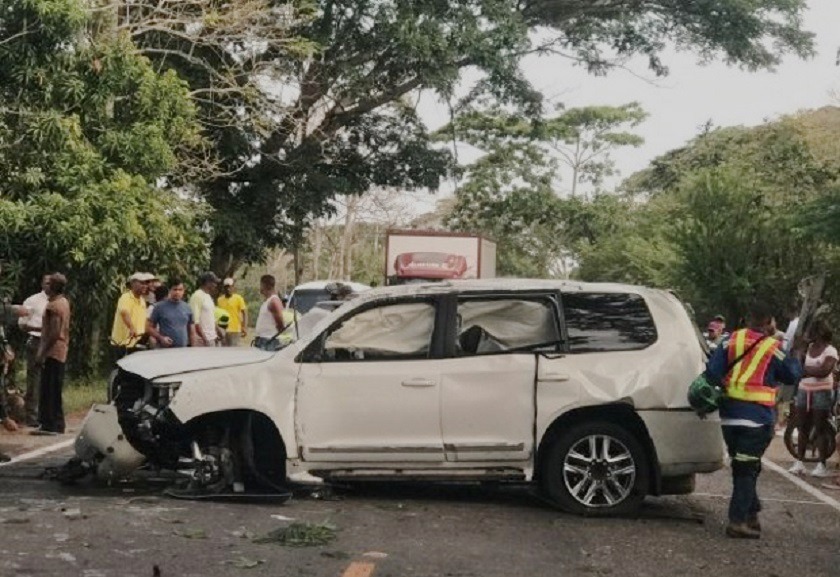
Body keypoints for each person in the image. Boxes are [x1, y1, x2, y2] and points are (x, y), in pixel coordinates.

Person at [704, 303, 802, 539]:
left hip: (729, 418)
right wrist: (796, 354)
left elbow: (712, 373)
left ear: (748, 320)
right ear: (769, 323)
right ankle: (737, 521)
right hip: (757, 420)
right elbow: (792, 375)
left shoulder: (730, 340)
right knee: (746, 470)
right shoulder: (773, 347)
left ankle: (752, 512)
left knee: (743, 466)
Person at [788, 321, 838, 478]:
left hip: (822, 391)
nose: (811, 336)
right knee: (802, 426)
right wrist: (811, 371)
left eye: (813, 333)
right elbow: (798, 367)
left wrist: (806, 371)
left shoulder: (830, 351)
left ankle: (821, 464)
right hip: (804, 390)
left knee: (820, 427)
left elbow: (824, 371)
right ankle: (799, 462)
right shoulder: (808, 349)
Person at [32, 273, 71, 436]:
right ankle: (56, 422)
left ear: (54, 287)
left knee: (49, 388)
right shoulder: (64, 302)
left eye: (49, 284)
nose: (46, 287)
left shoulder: (54, 306)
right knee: (54, 387)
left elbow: (54, 332)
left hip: (53, 351)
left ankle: (50, 423)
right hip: (61, 349)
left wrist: (41, 352)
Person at [17, 274, 50, 427]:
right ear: (42, 284)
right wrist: (41, 329)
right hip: (36, 340)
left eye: (52, 283)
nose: (49, 285)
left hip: (52, 343)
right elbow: (22, 324)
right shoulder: (33, 300)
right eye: (47, 282)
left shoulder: (58, 301)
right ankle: (31, 415)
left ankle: (45, 414)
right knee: (34, 380)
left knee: (48, 379)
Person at [110, 272, 154, 357]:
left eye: (146, 283)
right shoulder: (126, 297)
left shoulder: (142, 300)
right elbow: (124, 312)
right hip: (123, 343)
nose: (145, 286)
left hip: (137, 342)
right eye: (141, 283)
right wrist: (131, 327)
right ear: (133, 284)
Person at [146, 281, 195, 348]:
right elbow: (149, 328)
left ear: (183, 291)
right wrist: (161, 338)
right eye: (175, 289)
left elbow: (192, 331)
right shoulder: (159, 307)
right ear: (170, 290)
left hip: (183, 350)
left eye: (180, 290)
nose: (177, 292)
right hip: (165, 350)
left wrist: (193, 348)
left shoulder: (187, 307)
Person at [253, 275, 285, 350]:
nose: (260, 288)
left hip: (269, 341)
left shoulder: (274, 301)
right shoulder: (267, 301)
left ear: (264, 285)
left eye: (260, 285)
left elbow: (280, 323)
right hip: (261, 340)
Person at [189, 272, 220, 347]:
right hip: (203, 340)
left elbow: (211, 318)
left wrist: (216, 333)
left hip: (211, 338)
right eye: (214, 283)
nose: (215, 285)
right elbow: (195, 321)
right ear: (207, 282)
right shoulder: (197, 296)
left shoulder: (208, 296)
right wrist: (204, 338)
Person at [217, 278, 248, 347]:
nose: (228, 289)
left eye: (230, 287)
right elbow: (218, 316)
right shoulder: (220, 300)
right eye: (226, 287)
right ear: (224, 288)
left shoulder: (238, 298)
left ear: (233, 287)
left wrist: (244, 327)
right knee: (224, 352)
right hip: (223, 330)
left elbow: (244, 313)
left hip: (235, 330)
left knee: (234, 352)